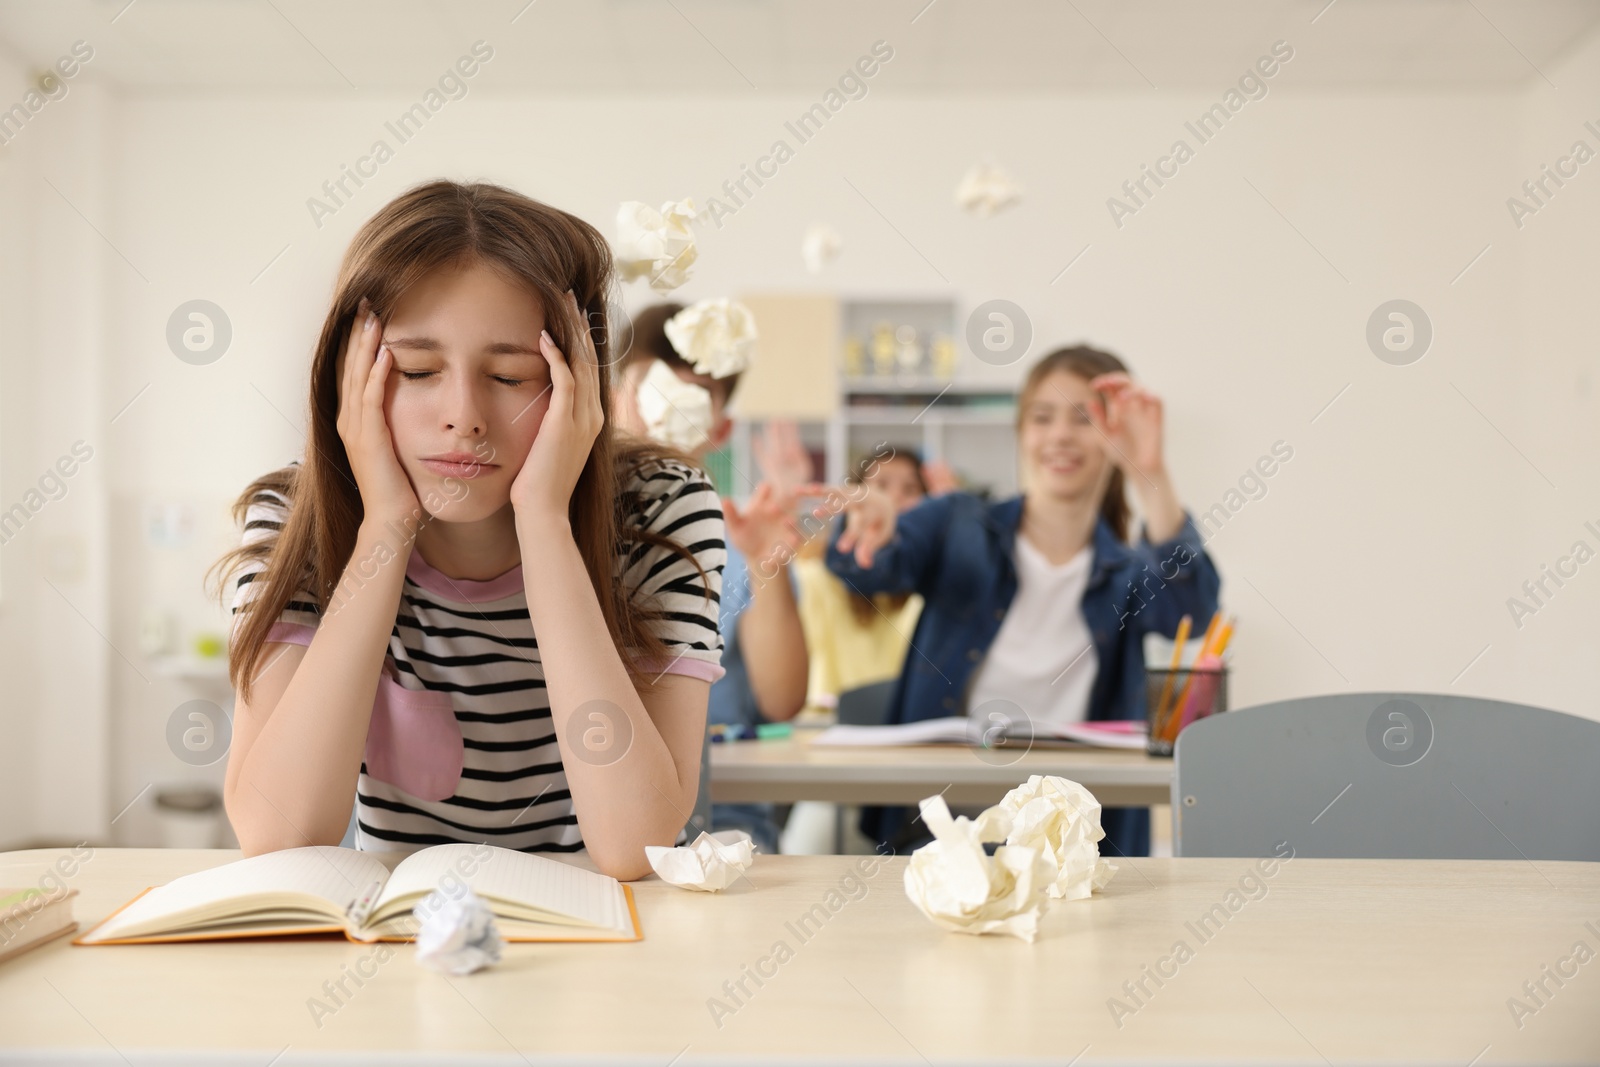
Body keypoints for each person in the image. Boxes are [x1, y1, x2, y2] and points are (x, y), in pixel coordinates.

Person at [210, 180, 725, 881]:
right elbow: (278, 834)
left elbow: (637, 843)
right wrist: (385, 529)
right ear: (350, 374)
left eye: (512, 376)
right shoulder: (297, 518)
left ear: (576, 377)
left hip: (608, 950)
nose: (464, 415)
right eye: (417, 369)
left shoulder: (663, 507)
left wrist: (545, 521)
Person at [825, 345, 1221, 859]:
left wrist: (1149, 471)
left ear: (1112, 437)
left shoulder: (1126, 572)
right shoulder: (958, 523)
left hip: (1072, 837)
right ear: (1021, 433)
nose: (1060, 434)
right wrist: (867, 529)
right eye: (1042, 417)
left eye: (1084, 418)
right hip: (944, 828)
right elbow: (867, 566)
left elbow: (1193, 610)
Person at [612, 309, 814, 854]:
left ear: (721, 428)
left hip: (726, 829)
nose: (671, 407)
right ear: (614, 402)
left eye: (697, 393)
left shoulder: (740, 538)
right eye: (655, 387)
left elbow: (782, 700)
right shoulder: (572, 528)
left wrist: (767, 565)